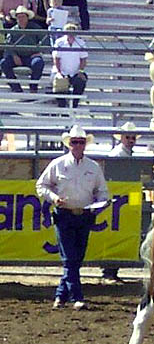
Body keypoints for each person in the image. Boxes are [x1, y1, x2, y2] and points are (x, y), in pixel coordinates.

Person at [36, 125, 109, 310]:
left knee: (75, 258)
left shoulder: (93, 167)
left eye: (81, 142)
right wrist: (53, 198)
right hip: (64, 215)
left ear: (85, 144)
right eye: (74, 142)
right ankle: (77, 297)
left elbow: (102, 192)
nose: (77, 145)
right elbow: (42, 185)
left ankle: (60, 296)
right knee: (70, 258)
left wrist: (99, 204)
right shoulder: (57, 164)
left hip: (84, 216)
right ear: (69, 144)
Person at [102, 122, 140, 282]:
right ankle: (109, 271)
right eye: (128, 137)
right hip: (121, 197)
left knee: (120, 230)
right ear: (122, 138)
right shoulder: (119, 154)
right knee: (119, 230)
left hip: (125, 195)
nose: (131, 140)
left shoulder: (122, 153)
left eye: (132, 137)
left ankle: (111, 271)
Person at [1, 6, 46, 93]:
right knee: (3, 63)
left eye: (23, 16)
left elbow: (45, 40)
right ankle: (15, 87)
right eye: (19, 17)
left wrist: (39, 51)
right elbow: (8, 45)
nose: (21, 19)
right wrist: (14, 55)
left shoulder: (36, 28)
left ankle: (33, 86)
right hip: (17, 56)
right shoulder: (13, 30)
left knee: (38, 63)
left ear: (27, 17)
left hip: (31, 56)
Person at [52, 23, 87, 108]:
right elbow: (56, 58)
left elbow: (83, 59)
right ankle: (62, 107)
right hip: (62, 71)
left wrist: (81, 71)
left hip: (75, 72)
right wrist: (59, 72)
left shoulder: (81, 43)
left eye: (73, 32)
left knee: (81, 81)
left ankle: (75, 104)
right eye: (68, 32)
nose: (71, 34)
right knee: (59, 84)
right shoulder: (59, 42)